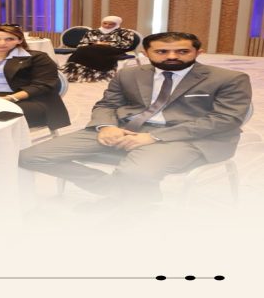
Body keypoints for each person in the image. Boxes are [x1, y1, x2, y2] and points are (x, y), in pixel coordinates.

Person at [19, 32, 252, 204]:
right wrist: (106, 126)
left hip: (186, 137)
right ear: (146, 53)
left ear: (198, 52)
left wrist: (154, 137)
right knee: (30, 157)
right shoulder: (128, 74)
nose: (172, 56)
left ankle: (132, 210)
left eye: (182, 51)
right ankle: (116, 191)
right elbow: (107, 104)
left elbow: (226, 119)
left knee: (136, 173)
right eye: (161, 51)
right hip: (123, 129)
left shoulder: (229, 78)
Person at [61, 15, 136, 82]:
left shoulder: (125, 32)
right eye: (105, 23)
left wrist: (107, 44)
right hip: (91, 49)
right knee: (82, 49)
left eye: (111, 24)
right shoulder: (93, 32)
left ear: (117, 24)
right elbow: (82, 44)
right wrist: (95, 44)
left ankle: (94, 73)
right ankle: (73, 71)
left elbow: (126, 45)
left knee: (93, 49)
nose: (107, 25)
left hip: (113, 50)